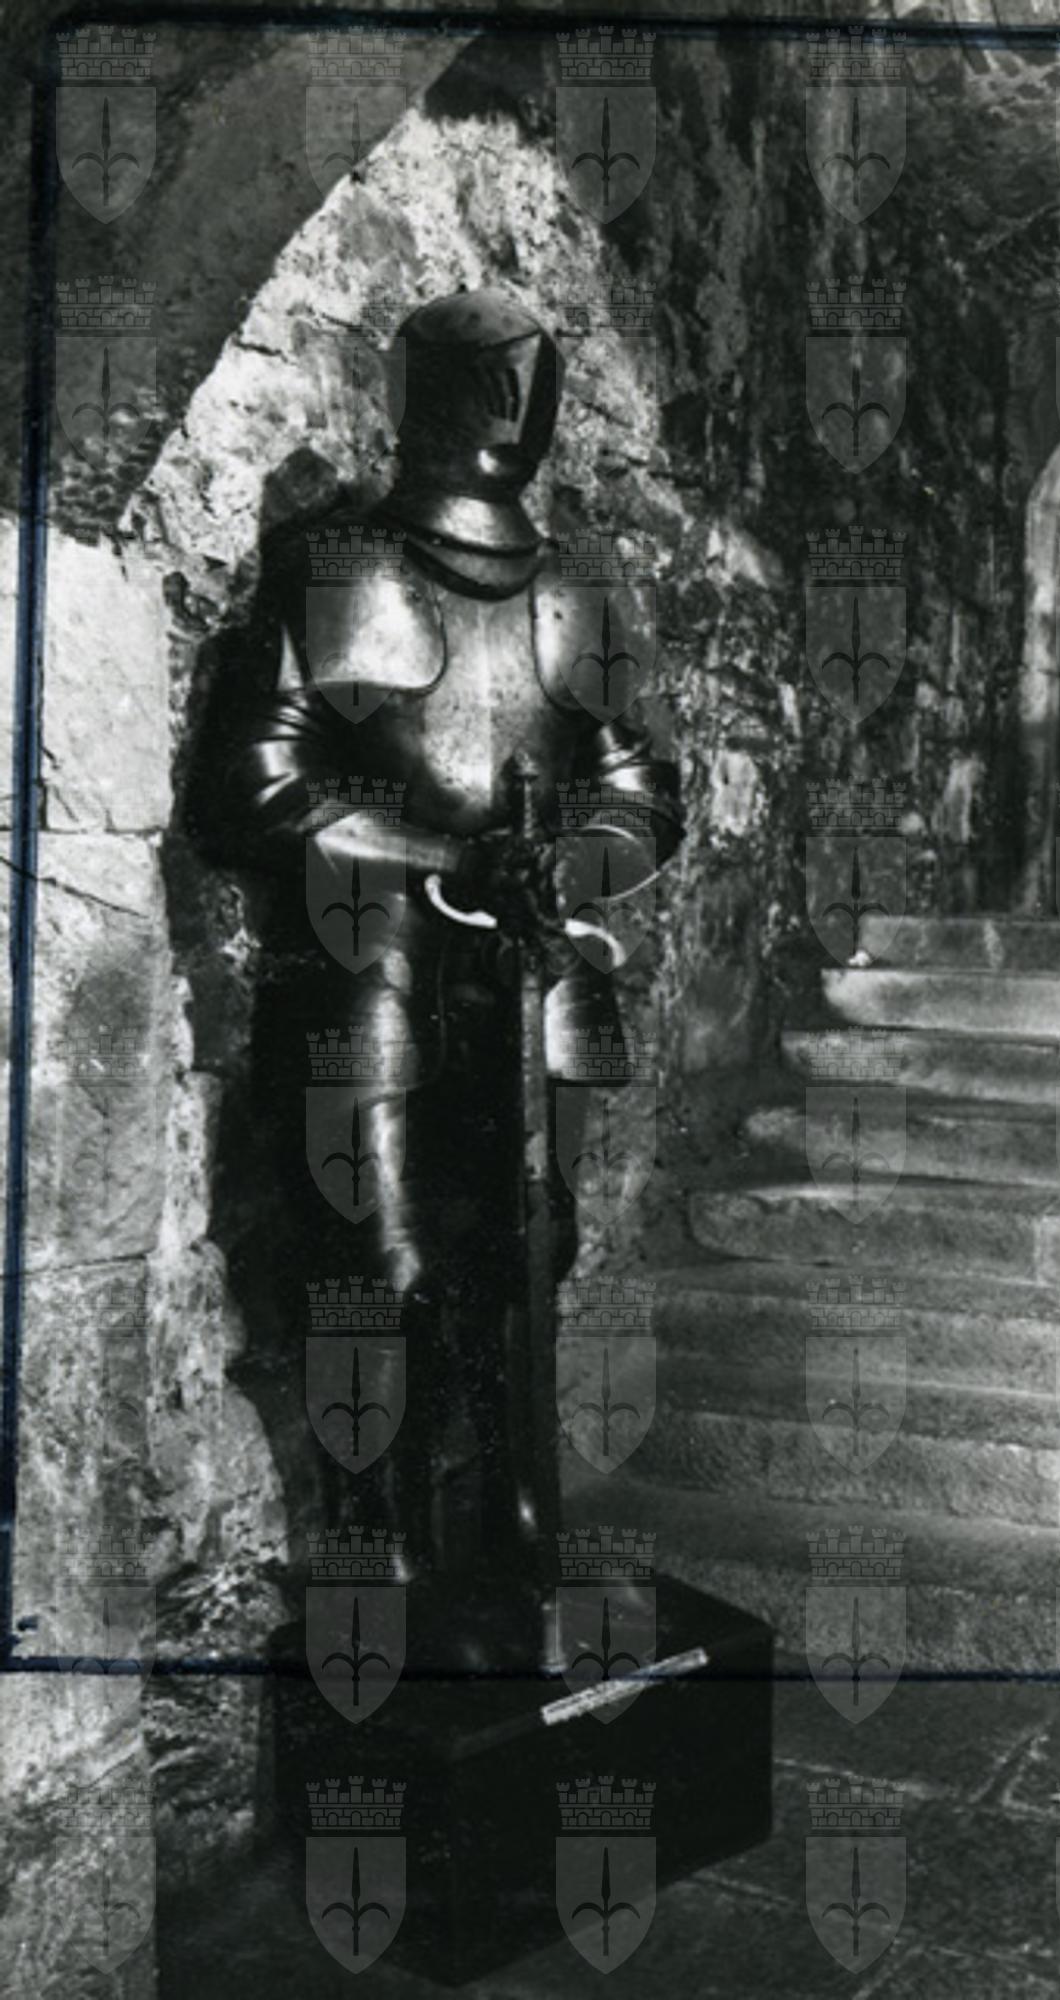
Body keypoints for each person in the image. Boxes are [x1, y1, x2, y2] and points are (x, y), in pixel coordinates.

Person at [220, 290, 683, 1662]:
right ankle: (381, 1535)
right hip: (368, 955)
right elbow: (256, 785)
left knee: (528, 1251)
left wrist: (566, 863)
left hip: (532, 958)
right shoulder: (339, 562)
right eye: (489, 384)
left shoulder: (581, 580)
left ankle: (503, 1516)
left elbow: (639, 786)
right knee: (379, 1255)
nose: (505, 410)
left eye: (519, 384)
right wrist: (445, 854)